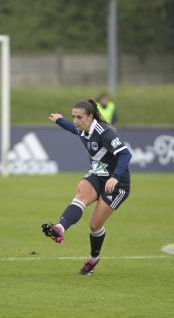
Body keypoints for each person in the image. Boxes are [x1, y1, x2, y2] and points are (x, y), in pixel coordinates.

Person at [42, 99, 132, 275]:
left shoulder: (105, 133)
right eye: (74, 116)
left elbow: (126, 154)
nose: (75, 121)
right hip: (98, 173)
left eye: (79, 117)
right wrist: (60, 120)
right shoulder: (82, 128)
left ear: (90, 117)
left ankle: (93, 259)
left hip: (117, 183)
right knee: (81, 192)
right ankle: (59, 229)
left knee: (94, 226)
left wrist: (114, 177)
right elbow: (72, 128)